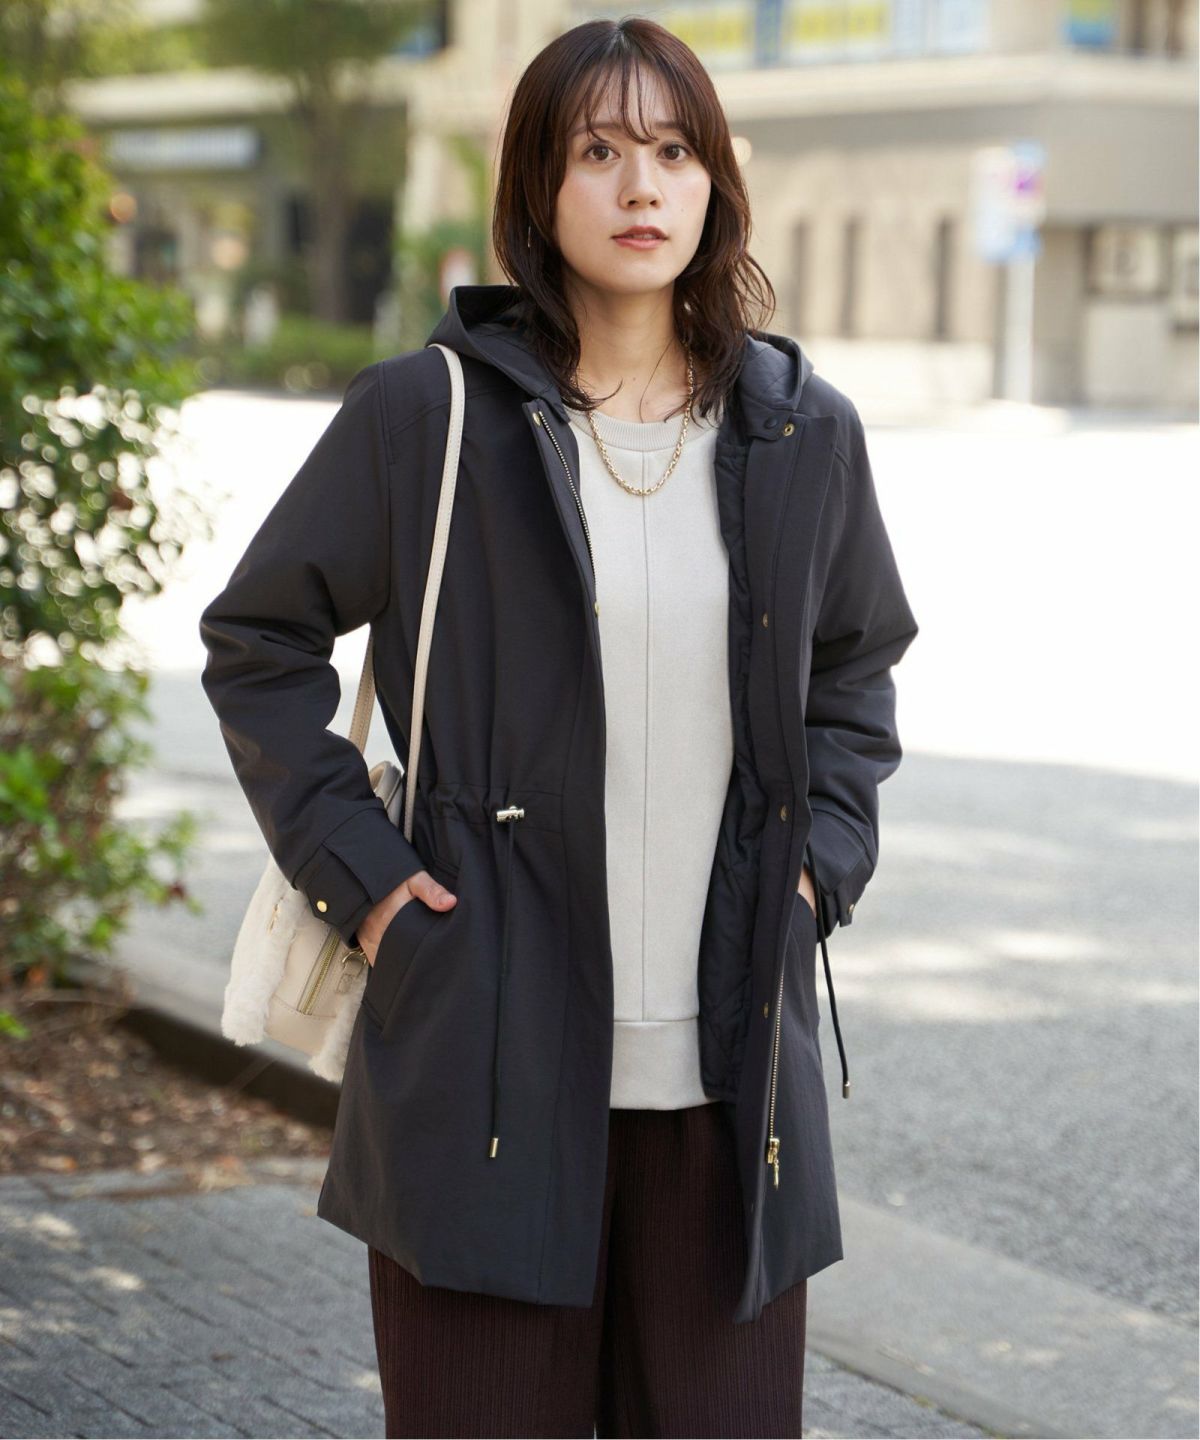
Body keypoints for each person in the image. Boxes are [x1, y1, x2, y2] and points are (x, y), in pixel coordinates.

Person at [199, 15, 919, 1438]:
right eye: (598, 152)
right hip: (481, 1059)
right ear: (537, 184)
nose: (641, 186)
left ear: (716, 181)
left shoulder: (800, 429)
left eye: (673, 150)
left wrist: (818, 869)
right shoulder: (427, 415)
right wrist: (370, 885)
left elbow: (856, 667)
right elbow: (258, 641)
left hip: (730, 1089)